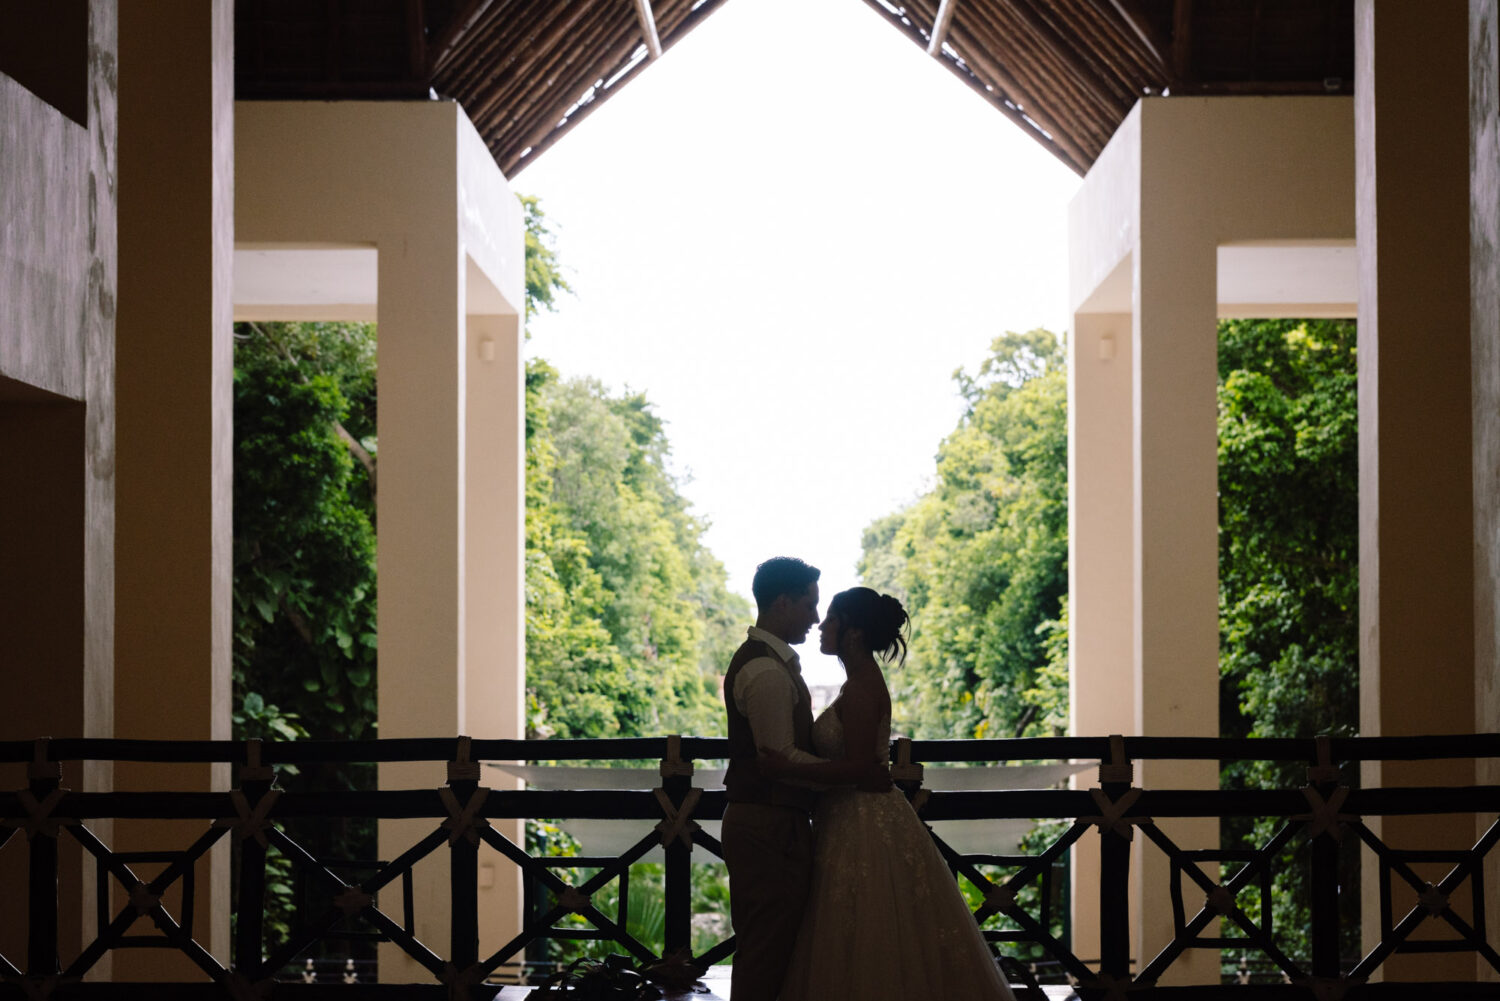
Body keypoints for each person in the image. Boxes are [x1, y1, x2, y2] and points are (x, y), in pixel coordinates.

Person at [761, 587, 1017, 1001]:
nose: (822, 626)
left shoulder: (862, 688)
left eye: (832, 618)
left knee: (866, 928)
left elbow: (862, 767)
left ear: (855, 632)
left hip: (862, 820)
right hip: (850, 815)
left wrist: (785, 768)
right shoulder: (856, 683)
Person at [718, 556, 827, 1001]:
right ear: (782, 602)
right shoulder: (765, 671)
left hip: (767, 819)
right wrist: (850, 774)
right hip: (768, 822)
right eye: (808, 605)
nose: (815, 617)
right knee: (766, 948)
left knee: (770, 943)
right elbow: (777, 757)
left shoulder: (767, 663)